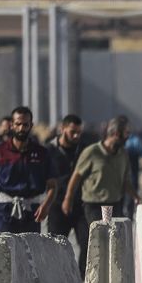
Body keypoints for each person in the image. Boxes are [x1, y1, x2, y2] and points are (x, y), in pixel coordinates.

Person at [0, 106, 56, 235]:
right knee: (3, 251)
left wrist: (46, 205)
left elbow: (53, 184)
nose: (21, 128)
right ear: (12, 125)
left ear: (31, 125)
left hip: (32, 212)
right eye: (18, 124)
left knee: (28, 253)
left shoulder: (41, 153)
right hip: (4, 211)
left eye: (25, 125)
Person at [61, 118, 139, 227]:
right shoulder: (92, 152)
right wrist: (68, 199)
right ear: (116, 134)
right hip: (94, 206)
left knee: (115, 239)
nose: (128, 137)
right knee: (99, 238)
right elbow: (76, 176)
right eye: (126, 133)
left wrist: (136, 197)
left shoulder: (123, 154)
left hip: (115, 205)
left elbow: (125, 181)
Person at [46, 114, 90, 273]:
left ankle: (81, 280)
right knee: (55, 246)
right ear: (62, 129)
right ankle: (57, 278)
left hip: (80, 205)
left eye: (79, 132)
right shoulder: (49, 150)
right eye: (72, 132)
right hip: (57, 205)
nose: (76, 136)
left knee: (88, 243)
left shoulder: (84, 149)